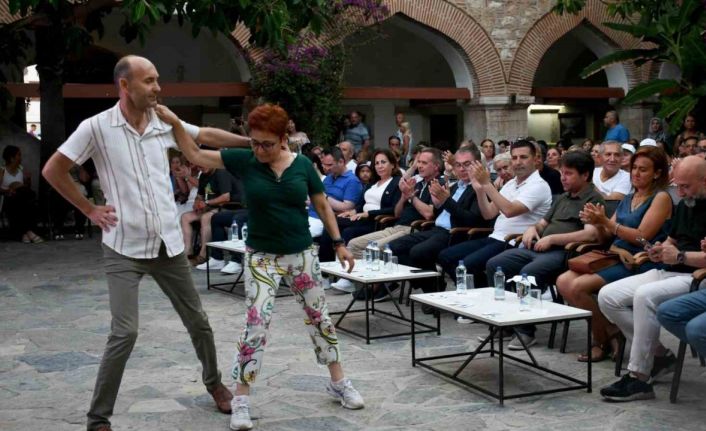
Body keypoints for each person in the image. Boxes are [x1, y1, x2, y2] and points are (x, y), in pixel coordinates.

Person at [41, 55, 236, 431]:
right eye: (149, 81)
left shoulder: (164, 122)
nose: (158, 88)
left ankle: (215, 385)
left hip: (168, 244)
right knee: (124, 331)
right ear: (125, 86)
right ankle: (98, 418)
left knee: (198, 321)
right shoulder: (96, 127)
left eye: (158, 79)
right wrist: (89, 209)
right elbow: (53, 169)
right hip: (123, 247)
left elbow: (204, 137)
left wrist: (255, 141)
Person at [157, 102, 365, 430]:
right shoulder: (246, 160)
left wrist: (339, 244)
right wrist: (175, 124)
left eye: (267, 143)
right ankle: (241, 399)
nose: (259, 149)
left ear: (284, 138)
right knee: (256, 325)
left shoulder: (303, 167)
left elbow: (323, 204)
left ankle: (338, 382)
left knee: (320, 319)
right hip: (262, 257)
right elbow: (196, 156)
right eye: (254, 142)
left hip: (301, 255)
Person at [598, 156, 706, 401]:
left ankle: (639, 377)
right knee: (608, 296)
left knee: (644, 296)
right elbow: (674, 239)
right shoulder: (686, 203)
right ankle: (657, 354)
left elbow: (693, 256)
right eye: (677, 185)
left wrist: (679, 256)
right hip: (671, 269)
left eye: (685, 186)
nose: (679, 192)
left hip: (696, 277)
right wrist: (661, 248)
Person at [557, 146, 672, 362]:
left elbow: (642, 237)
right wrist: (596, 222)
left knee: (578, 286)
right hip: (617, 255)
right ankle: (610, 334)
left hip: (641, 260)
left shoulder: (661, 198)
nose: (636, 174)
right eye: (634, 168)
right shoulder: (629, 197)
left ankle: (601, 341)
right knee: (563, 281)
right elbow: (608, 234)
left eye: (643, 170)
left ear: (657, 173)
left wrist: (606, 222)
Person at [486, 150, 604, 348]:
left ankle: (526, 331)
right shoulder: (562, 198)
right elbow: (542, 223)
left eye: (569, 173)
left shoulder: (593, 198)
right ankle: (506, 323)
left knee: (528, 274)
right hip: (539, 247)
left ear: (585, 175)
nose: (562, 177)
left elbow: (590, 234)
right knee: (495, 264)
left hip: (565, 252)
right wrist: (532, 229)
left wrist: (553, 239)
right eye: (562, 172)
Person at [437, 140, 552, 291]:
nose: (518, 162)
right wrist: (479, 190)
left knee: (467, 265)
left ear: (535, 159)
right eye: (515, 158)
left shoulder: (538, 185)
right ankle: (481, 291)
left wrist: (486, 184)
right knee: (446, 256)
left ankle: (482, 297)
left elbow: (509, 210)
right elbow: (488, 213)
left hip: (514, 241)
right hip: (495, 237)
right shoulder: (511, 184)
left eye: (523, 157)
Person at [389, 146, 491, 304]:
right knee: (394, 248)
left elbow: (472, 220)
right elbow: (440, 213)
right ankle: (433, 288)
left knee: (418, 252)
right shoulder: (456, 186)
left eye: (467, 164)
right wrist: (438, 204)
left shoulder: (480, 188)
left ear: (477, 164)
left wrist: (446, 201)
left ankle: (433, 293)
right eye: (458, 165)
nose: (462, 169)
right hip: (436, 228)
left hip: (456, 233)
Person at [344, 148, 441, 266]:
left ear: (436, 166)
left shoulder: (438, 184)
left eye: (424, 163)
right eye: (418, 162)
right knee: (354, 244)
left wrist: (411, 197)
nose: (419, 166)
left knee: (375, 248)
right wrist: (404, 197)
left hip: (413, 229)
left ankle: (378, 281)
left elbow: (429, 214)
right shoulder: (418, 183)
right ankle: (364, 279)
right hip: (396, 226)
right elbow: (397, 214)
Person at [181, 166, 242, 266]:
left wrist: (206, 203)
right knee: (185, 217)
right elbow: (200, 195)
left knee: (206, 217)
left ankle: (203, 255)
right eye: (199, 164)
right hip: (210, 207)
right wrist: (197, 202)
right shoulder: (203, 176)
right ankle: (188, 251)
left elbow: (225, 197)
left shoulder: (221, 173)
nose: (201, 167)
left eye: (203, 163)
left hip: (230, 207)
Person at [657, 236, 706, 359]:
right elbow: (671, 239)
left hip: (687, 272)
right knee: (667, 312)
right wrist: (661, 249)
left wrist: (680, 256)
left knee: (696, 329)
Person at [308, 147, 363, 237]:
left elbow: (347, 208)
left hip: (325, 220)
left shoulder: (352, 181)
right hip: (310, 214)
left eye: (329, 165)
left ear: (341, 162)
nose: (325, 168)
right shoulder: (329, 177)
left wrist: (324, 197)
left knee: (295, 236)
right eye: (323, 164)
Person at [0, 145, 43, 243]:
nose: (21, 158)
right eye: (18, 155)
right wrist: (7, 191)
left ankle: (24, 233)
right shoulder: (2, 171)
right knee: (24, 201)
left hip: (20, 199)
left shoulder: (20, 170)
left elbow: (25, 188)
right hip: (8, 200)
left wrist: (28, 181)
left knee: (26, 200)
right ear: (12, 158)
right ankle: (29, 231)